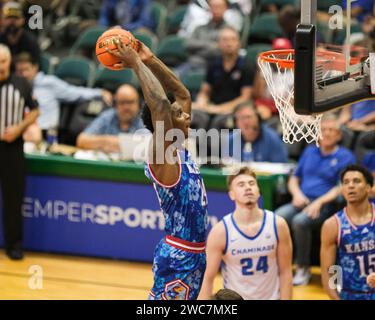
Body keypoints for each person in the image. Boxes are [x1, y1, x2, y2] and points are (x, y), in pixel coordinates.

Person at [107, 34, 208, 300]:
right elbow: (161, 104)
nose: (186, 114)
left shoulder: (180, 145)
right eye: (179, 114)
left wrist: (149, 59)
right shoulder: (163, 154)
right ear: (165, 124)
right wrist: (135, 64)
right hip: (179, 255)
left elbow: (182, 93)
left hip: (196, 255)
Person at [276, 113, 356, 286]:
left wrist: (319, 202)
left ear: (339, 135)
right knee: (277, 218)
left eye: (331, 130)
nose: (327, 133)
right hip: (301, 200)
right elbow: (294, 179)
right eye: (323, 129)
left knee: (300, 221)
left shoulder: (345, 156)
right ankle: (279, 265)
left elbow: (341, 187)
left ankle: (303, 268)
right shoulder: (309, 151)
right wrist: (296, 194)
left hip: (326, 205)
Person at [198, 167, 292, 300]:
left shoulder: (278, 224)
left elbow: (286, 272)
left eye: (252, 183)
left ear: (259, 191)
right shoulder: (221, 231)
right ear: (232, 194)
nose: (248, 188)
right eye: (241, 185)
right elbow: (207, 278)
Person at [0, 44, 39, 260]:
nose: (0, 66)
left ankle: (14, 245)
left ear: (9, 63)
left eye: (3, 62)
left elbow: (35, 111)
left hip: (11, 148)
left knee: (14, 199)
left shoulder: (21, 83)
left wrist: (18, 129)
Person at [14, 52, 112, 134]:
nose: (23, 74)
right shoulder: (15, 87)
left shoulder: (49, 83)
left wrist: (99, 92)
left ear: (35, 67)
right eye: (19, 71)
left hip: (45, 131)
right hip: (20, 131)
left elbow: (74, 92)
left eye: (25, 70)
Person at [321, 164, 375, 300]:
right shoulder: (333, 225)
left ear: (369, 187)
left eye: (356, 181)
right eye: (346, 182)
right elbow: (330, 272)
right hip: (350, 295)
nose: (350, 186)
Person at [193, 26, 254, 130]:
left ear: (239, 43)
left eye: (233, 39)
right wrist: (202, 101)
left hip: (234, 110)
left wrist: (220, 109)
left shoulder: (247, 65)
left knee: (219, 122)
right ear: (218, 44)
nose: (229, 43)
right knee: (196, 117)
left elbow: (245, 98)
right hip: (213, 107)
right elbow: (205, 91)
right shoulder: (213, 64)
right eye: (225, 40)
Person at [77, 84, 146, 153]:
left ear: (138, 103)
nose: (126, 107)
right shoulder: (108, 116)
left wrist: (119, 143)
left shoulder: (144, 120)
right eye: (122, 103)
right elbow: (81, 140)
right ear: (115, 104)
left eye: (130, 102)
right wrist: (107, 141)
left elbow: (150, 146)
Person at [224, 102, 288, 163]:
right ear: (235, 122)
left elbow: (281, 167)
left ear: (258, 118)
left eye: (248, 117)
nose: (245, 122)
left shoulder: (272, 139)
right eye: (241, 118)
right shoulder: (230, 140)